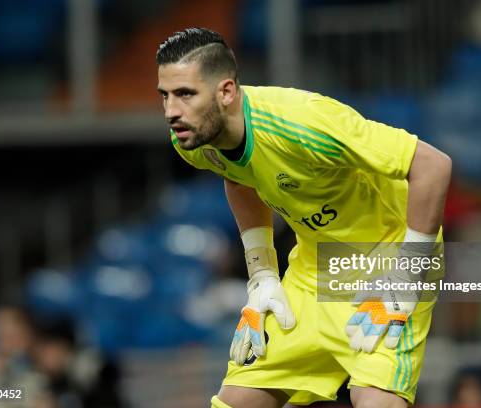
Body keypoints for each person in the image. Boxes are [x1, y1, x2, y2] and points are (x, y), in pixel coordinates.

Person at [156, 28, 452, 408]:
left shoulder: (303, 124)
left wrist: (407, 275)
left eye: (184, 95)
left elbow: (433, 166)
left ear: (226, 92)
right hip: (313, 269)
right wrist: (262, 273)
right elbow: (239, 176)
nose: (170, 112)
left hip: (389, 261)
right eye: (164, 95)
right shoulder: (194, 140)